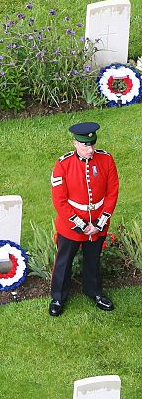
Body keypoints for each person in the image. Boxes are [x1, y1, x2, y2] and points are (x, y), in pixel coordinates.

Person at [49, 121, 119, 317]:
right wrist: (78, 223)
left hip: (98, 222)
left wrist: (101, 221)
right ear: (75, 144)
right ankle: (58, 297)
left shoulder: (106, 160)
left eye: (92, 144)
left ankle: (94, 291)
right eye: (85, 145)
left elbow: (112, 192)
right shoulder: (63, 164)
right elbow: (59, 200)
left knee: (93, 260)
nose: (90, 149)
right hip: (71, 224)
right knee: (63, 262)